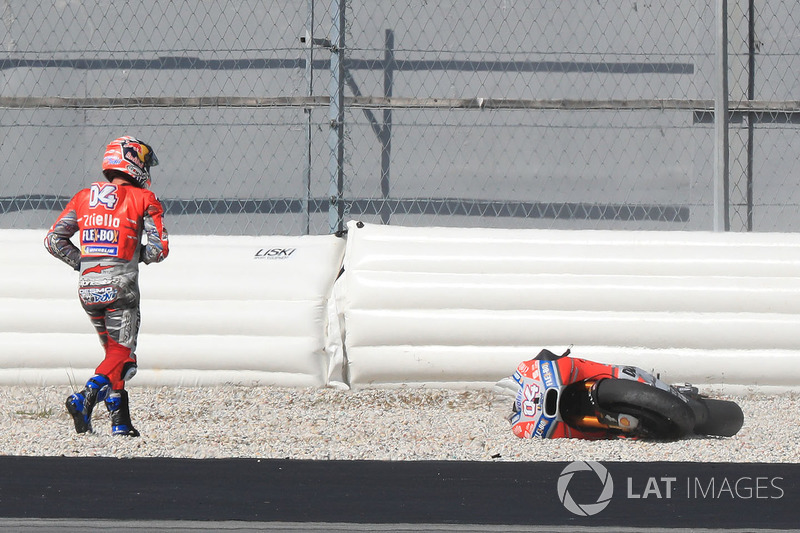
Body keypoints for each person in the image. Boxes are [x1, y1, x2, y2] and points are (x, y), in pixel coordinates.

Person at [44, 136, 169, 437]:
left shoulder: (82, 197)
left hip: (87, 288)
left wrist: (83, 262)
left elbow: (53, 241)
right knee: (123, 354)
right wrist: (133, 253)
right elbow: (159, 249)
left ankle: (121, 423)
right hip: (120, 286)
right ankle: (85, 397)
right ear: (135, 163)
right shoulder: (144, 200)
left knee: (115, 355)